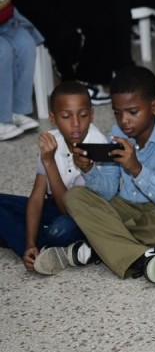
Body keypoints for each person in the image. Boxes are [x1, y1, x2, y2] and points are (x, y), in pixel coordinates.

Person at [34, 66, 155, 283]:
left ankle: (95, 247)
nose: (124, 120)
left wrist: (136, 169)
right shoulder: (117, 133)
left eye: (132, 112)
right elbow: (108, 191)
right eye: (117, 113)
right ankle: (136, 254)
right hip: (126, 206)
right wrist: (88, 169)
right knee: (75, 196)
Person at [0, 82, 106, 267]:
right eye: (66, 116)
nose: (75, 124)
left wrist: (49, 162)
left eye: (82, 115)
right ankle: (37, 249)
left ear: (92, 115)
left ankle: (40, 246)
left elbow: (69, 209)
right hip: (54, 207)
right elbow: (37, 197)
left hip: (83, 217)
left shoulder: (97, 145)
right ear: (53, 118)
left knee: (58, 231)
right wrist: (29, 243)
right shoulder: (52, 139)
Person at [0, 0, 42, 141]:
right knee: (3, 51)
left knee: (26, 44)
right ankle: (2, 118)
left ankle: (18, 110)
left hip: (8, 24)